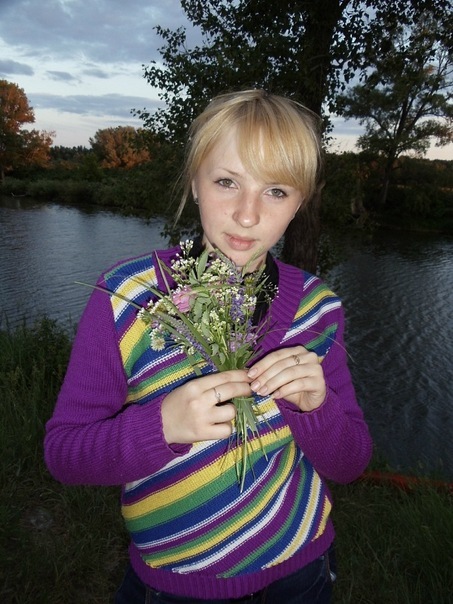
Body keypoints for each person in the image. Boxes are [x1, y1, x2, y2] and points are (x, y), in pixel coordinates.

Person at [44, 89, 372, 603]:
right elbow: (65, 454)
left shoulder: (318, 309)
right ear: (195, 182)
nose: (247, 215)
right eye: (226, 182)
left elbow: (350, 463)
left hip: (301, 570)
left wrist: (317, 408)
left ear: (300, 203)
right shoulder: (128, 298)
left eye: (276, 191)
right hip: (175, 583)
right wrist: (161, 428)